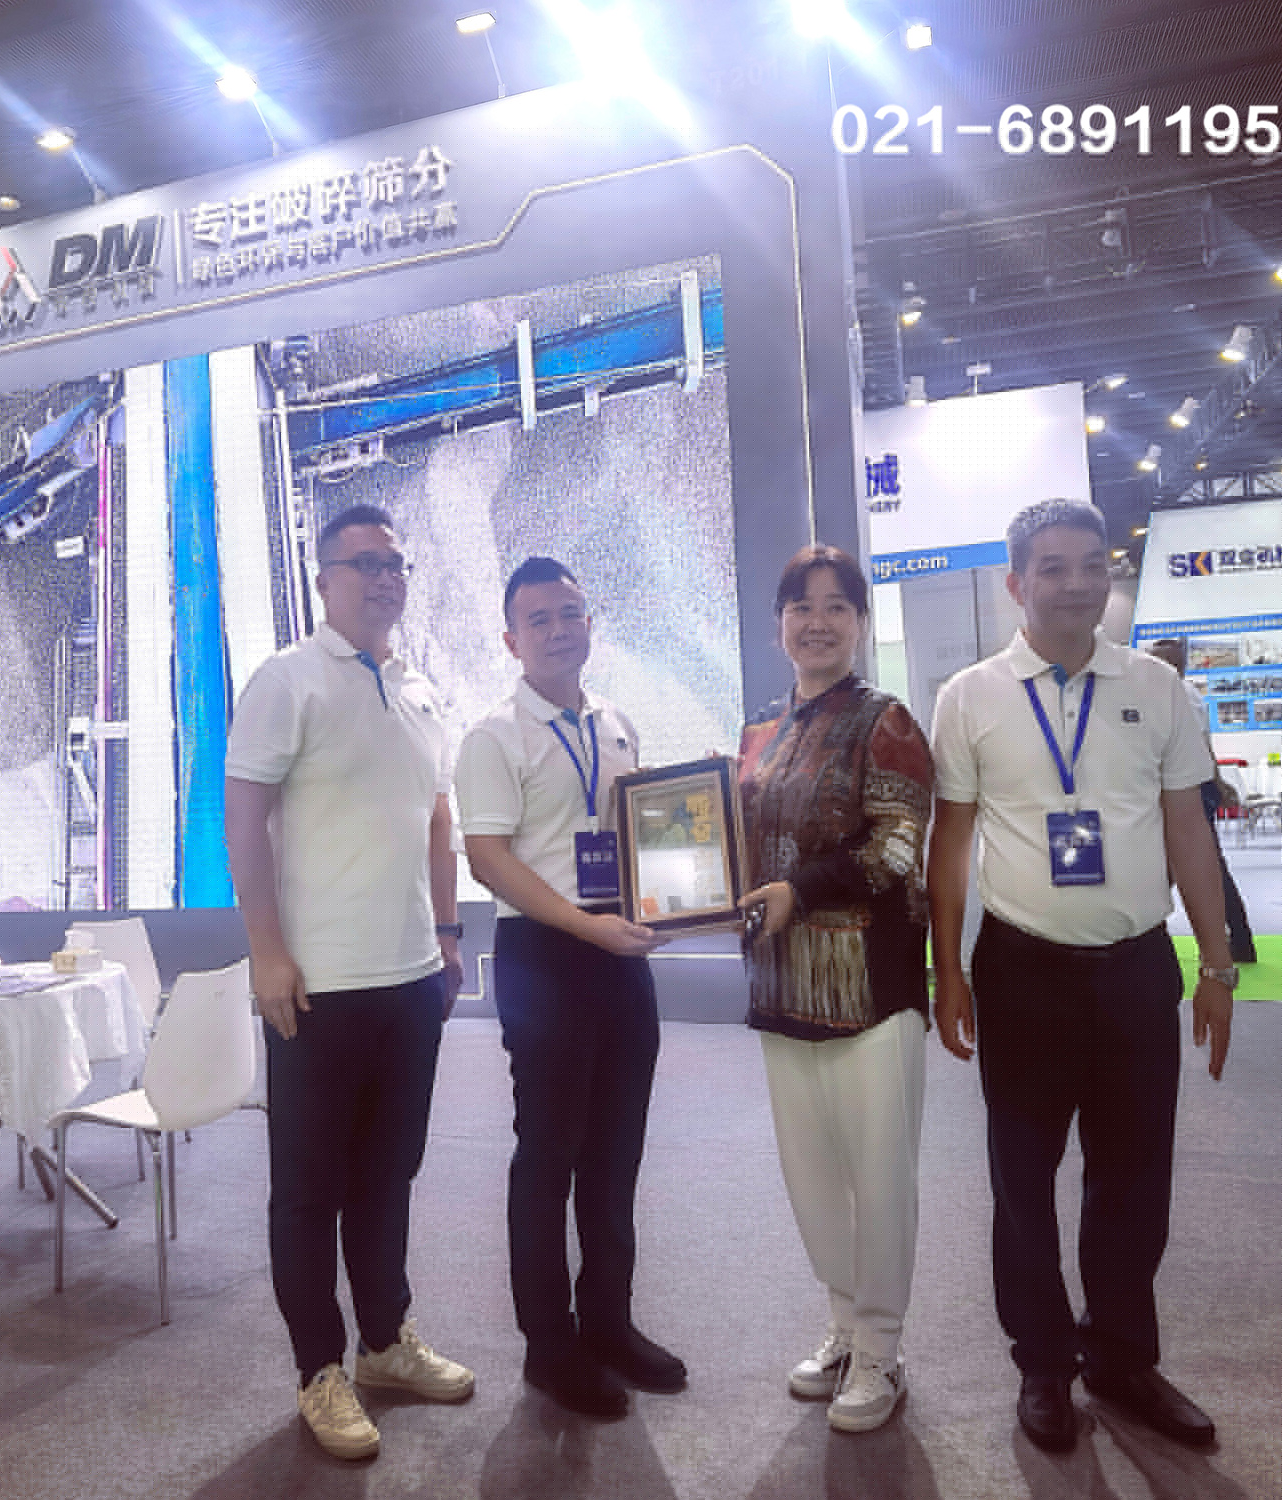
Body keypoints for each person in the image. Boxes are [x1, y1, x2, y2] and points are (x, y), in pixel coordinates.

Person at [928, 499, 1235, 1454]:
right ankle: (1044, 1366)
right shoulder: (969, 697)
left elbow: (1188, 829)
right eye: (1053, 568)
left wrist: (1217, 963)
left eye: (1093, 565)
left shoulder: (1157, 688)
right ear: (1016, 583)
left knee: (1135, 1176)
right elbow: (950, 844)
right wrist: (948, 970)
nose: (1076, 585)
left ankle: (1122, 1358)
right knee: (1023, 1180)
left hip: (1137, 969)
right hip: (1022, 970)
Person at [222, 503, 474, 1461]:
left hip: (411, 978)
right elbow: (244, 820)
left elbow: (437, 822)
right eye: (364, 563)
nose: (384, 578)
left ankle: (383, 1342)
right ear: (323, 578)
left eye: (395, 563)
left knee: (388, 1173)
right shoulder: (288, 681)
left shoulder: (419, 691)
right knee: (308, 1189)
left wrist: (447, 933)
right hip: (318, 986)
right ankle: (318, 1371)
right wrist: (267, 951)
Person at [455, 557, 683, 1421]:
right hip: (544, 958)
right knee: (548, 1155)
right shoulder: (494, 736)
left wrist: (673, 897)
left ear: (591, 622)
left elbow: (637, 836)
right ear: (511, 639)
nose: (558, 631)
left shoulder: (616, 723)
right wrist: (589, 928)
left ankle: (609, 1323)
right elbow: (488, 860)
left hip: (620, 955)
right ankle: (549, 1346)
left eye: (570, 613)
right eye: (539, 620)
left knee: (617, 1152)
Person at [733, 544, 933, 1434]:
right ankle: (845, 1327)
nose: (817, 622)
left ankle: (883, 1349)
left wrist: (800, 890)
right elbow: (735, 846)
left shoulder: (886, 721)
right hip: (782, 986)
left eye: (836, 607)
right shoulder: (758, 732)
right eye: (800, 606)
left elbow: (897, 847)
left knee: (878, 1178)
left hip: (870, 991)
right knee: (812, 1177)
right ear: (779, 622)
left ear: (858, 622)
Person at [1145, 637, 1257, 964]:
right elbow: (1205, 745)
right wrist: (1217, 781)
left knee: (1203, 866)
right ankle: (1238, 939)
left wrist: (1215, 782)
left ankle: (1235, 940)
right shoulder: (1188, 695)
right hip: (1193, 786)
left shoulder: (1173, 695)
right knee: (1195, 866)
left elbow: (1191, 749)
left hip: (1183, 790)